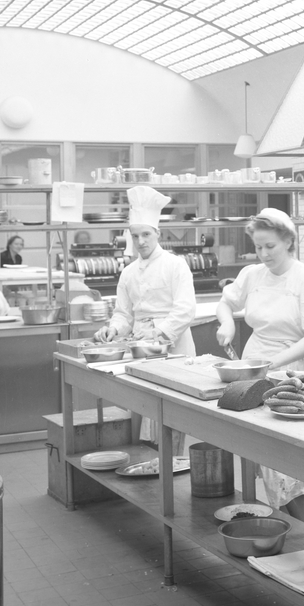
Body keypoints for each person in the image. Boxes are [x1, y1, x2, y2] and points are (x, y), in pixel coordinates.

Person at [215, 208, 304, 522]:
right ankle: (277, 522)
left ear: (288, 241)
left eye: (270, 246)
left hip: (292, 373)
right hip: (254, 370)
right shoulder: (252, 275)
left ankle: (301, 529)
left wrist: (273, 363)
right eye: (258, 247)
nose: (263, 254)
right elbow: (226, 302)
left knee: (283, 459)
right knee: (260, 451)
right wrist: (227, 323)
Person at [94, 186, 196, 448]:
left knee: (173, 412)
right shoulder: (128, 272)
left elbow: (185, 310)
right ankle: (151, 465)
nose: (141, 241)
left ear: (157, 233)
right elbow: (123, 314)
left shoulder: (175, 264)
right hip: (141, 348)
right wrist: (114, 329)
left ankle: (173, 463)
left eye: (146, 234)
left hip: (174, 346)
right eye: (135, 235)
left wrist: (158, 332)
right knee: (144, 406)